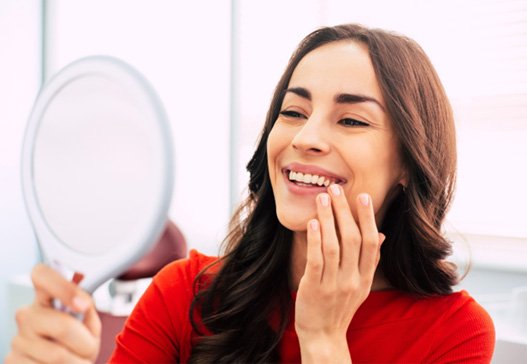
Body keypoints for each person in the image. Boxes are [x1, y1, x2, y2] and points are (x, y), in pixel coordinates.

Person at [7, 23, 495, 363]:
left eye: (351, 119)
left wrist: (323, 340)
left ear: (409, 163)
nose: (305, 138)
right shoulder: (183, 294)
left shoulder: (455, 334)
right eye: (293, 112)